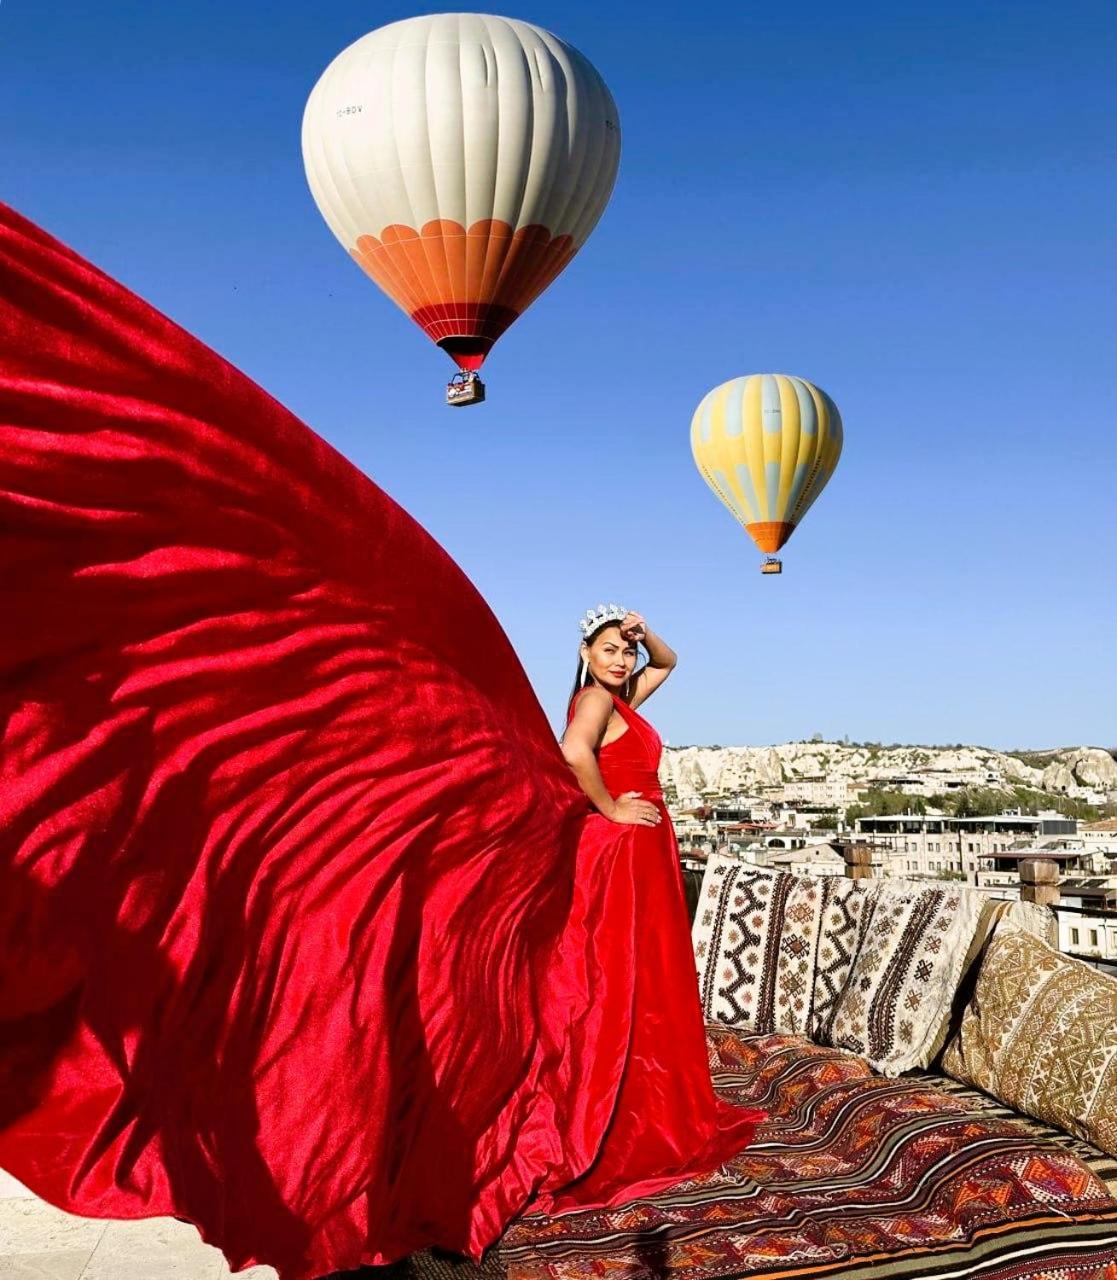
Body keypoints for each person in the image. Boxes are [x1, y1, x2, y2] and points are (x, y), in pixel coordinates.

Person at [0, 203, 761, 1280]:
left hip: (637, 843)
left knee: (627, 1001)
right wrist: (602, 805)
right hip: (619, 839)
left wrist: (636, 629)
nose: (613, 656)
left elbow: (669, 669)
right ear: (579, 656)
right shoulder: (588, 707)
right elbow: (581, 756)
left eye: (615, 648)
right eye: (599, 644)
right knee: (608, 1003)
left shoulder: (632, 675)